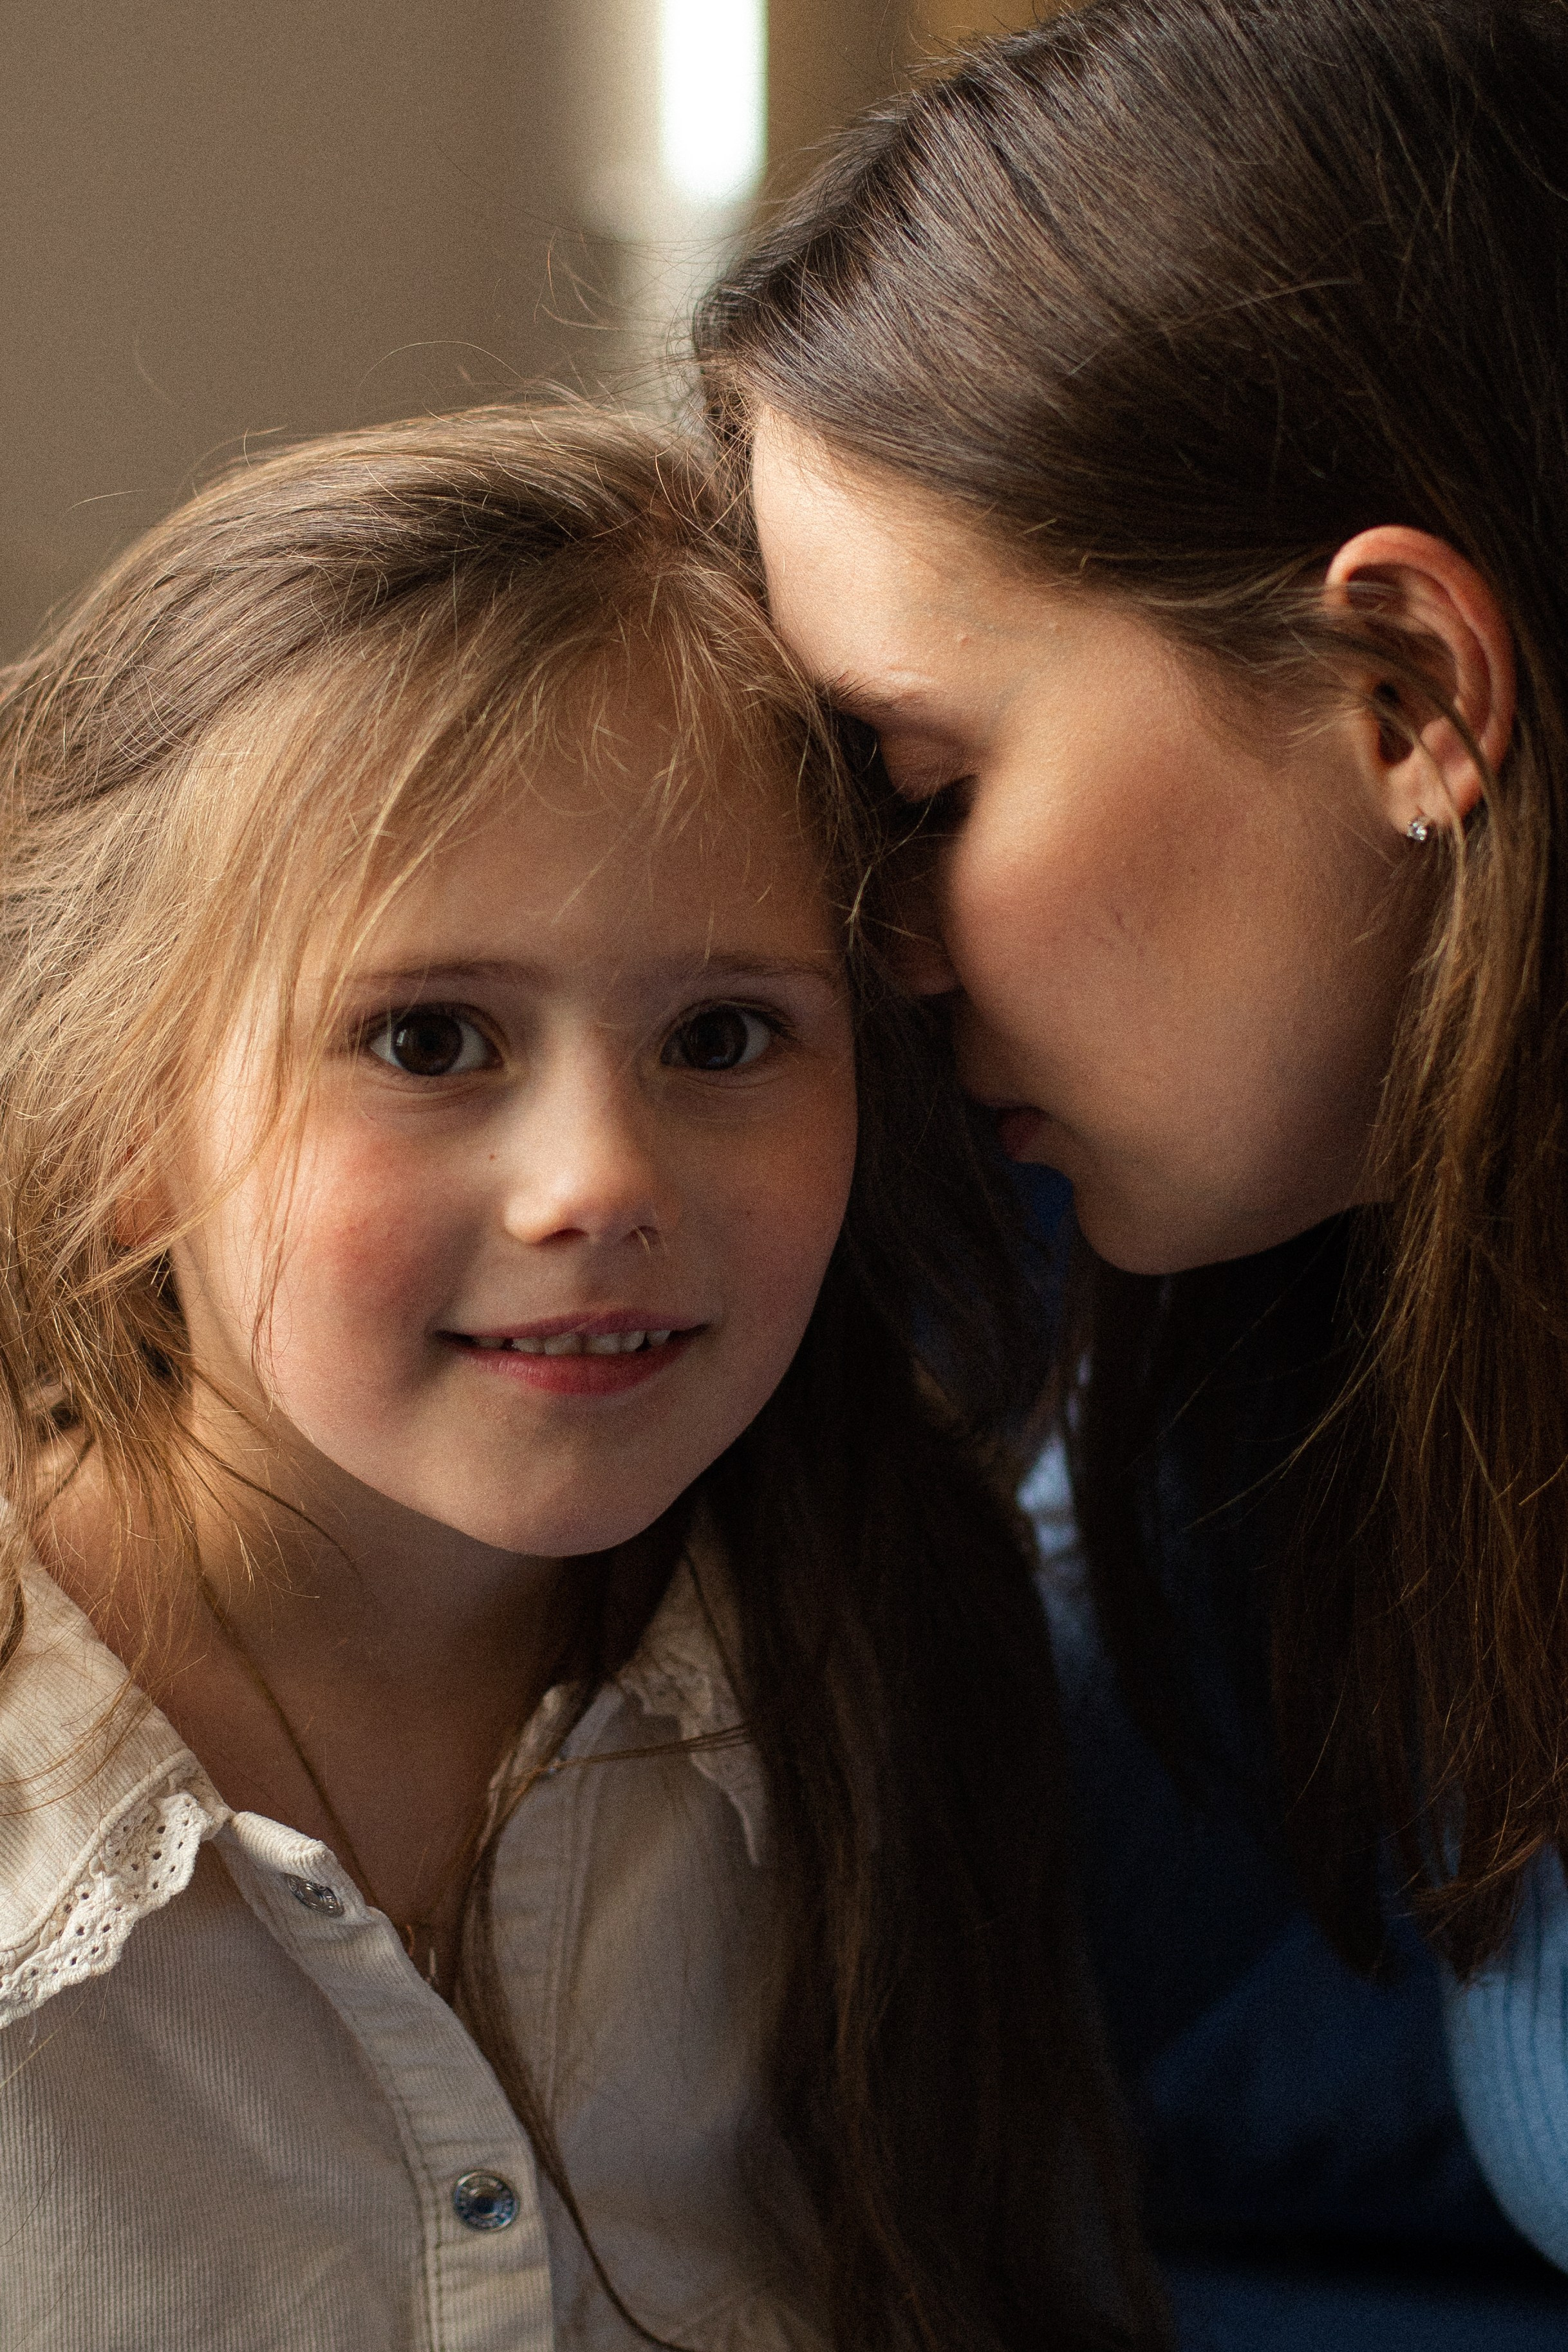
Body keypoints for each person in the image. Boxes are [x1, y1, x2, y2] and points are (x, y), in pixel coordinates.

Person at [0, 406, 1164, 2352]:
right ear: (122, 1114)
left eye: (721, 1034)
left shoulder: (884, 1669)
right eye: (431, 1039)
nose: (602, 1184)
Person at [695, 0, 1568, 2295]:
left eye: (923, 794)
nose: (873, 954)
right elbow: (843, 1943)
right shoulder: (1316, 1359)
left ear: (1403, 688)